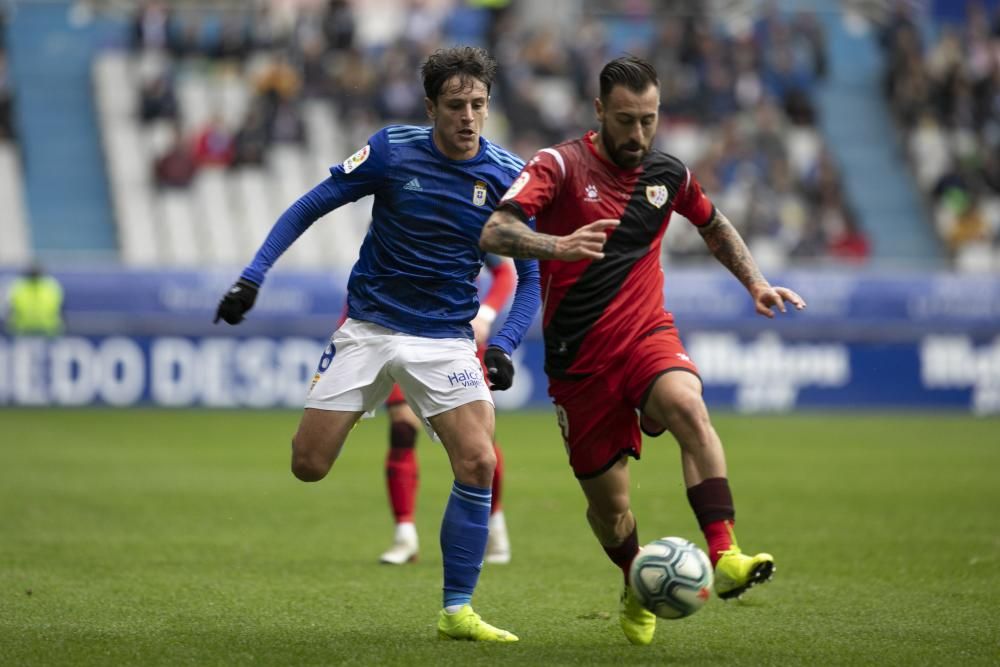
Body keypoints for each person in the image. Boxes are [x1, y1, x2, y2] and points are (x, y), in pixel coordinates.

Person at [214, 46, 539, 643]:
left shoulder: (506, 177)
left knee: (480, 460)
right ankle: (357, 405)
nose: (468, 117)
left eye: (478, 105)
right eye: (455, 105)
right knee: (308, 466)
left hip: (444, 339)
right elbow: (310, 204)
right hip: (368, 327)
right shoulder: (391, 150)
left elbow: (532, 276)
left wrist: (506, 344)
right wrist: (253, 275)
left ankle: (457, 610)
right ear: (430, 106)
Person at [479, 55, 806, 646]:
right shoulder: (557, 164)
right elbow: (496, 230)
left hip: (645, 335)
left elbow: (714, 224)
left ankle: (725, 551)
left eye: (649, 121)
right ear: (599, 110)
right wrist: (558, 244)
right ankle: (636, 580)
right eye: (626, 120)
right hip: (579, 363)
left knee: (687, 405)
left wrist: (756, 281)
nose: (638, 135)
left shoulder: (667, 173)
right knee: (610, 510)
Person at [380, 253, 515, 566]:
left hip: (455, 338)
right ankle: (404, 534)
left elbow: (505, 273)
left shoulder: (468, 211)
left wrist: (487, 313)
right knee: (402, 428)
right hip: (399, 335)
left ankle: (494, 523)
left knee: (478, 442)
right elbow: (364, 278)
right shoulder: (392, 210)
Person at [4, 263, 64, 336]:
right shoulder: (51, 286)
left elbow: (9, 310)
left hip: (23, 330)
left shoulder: (18, 287)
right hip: (47, 330)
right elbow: (61, 310)